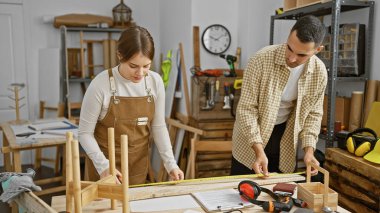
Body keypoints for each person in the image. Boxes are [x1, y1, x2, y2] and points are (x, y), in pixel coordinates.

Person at [79, 25, 184, 185]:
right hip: (104, 167)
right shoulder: (101, 84)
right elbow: (84, 133)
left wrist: (171, 164)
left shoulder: (155, 82)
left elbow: (158, 126)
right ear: (120, 55)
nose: (140, 73)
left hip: (137, 165)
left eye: (146, 66)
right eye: (133, 66)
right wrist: (104, 167)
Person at [231, 15, 327, 177]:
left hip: (283, 137)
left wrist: (309, 151)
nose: (291, 58)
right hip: (249, 140)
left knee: (275, 195)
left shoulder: (319, 72)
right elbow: (247, 109)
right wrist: (259, 150)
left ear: (317, 50)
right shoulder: (260, 60)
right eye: (289, 48)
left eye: (301, 55)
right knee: (240, 195)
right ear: (289, 35)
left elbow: (313, 115)